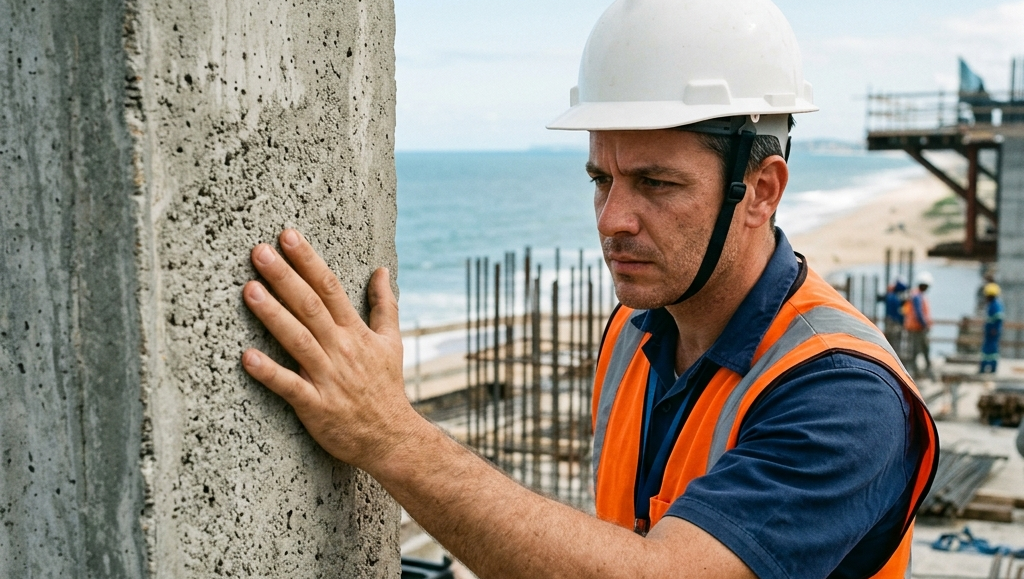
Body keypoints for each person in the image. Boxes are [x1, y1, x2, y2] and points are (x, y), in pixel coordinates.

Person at [239, 1, 937, 577]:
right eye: (601, 179)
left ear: (760, 190)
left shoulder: (844, 396)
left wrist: (389, 433)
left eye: (656, 183)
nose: (612, 221)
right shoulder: (632, 334)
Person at [904, 272, 934, 378]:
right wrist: (925, 324)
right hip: (917, 328)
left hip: (916, 327)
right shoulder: (917, 296)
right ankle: (916, 372)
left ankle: (921, 370)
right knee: (918, 349)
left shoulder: (916, 295)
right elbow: (919, 313)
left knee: (922, 349)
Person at [980, 282, 1004, 374]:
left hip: (992, 332)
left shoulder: (995, 305)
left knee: (990, 349)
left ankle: (990, 367)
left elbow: (998, 318)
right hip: (990, 331)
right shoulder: (992, 305)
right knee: (988, 349)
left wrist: (994, 329)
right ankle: (986, 366)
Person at [883, 277, 908, 351]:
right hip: (894, 323)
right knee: (895, 344)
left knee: (891, 343)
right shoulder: (894, 298)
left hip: (890, 322)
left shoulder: (891, 296)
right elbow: (898, 313)